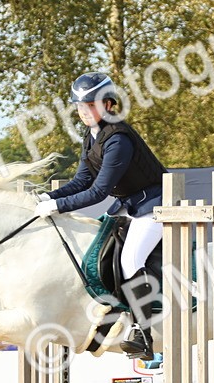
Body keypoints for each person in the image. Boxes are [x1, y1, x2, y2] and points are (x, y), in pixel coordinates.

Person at [33, 72, 167, 359]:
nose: (84, 112)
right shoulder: (92, 136)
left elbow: (98, 192)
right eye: (81, 106)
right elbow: (81, 181)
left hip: (156, 205)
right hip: (132, 207)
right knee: (102, 252)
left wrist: (57, 207)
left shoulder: (118, 138)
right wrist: (48, 196)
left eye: (91, 105)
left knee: (131, 259)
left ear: (108, 103)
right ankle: (116, 312)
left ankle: (144, 334)